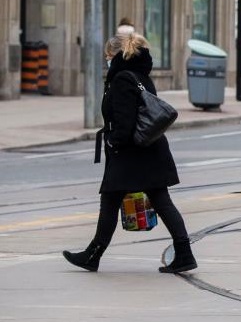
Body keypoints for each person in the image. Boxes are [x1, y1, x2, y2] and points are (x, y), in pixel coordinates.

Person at [62, 33, 197, 273]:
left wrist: (114, 142)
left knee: (112, 201)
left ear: (115, 55)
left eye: (107, 55)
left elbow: (125, 122)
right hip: (149, 150)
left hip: (130, 153)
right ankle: (184, 253)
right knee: (159, 200)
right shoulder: (141, 76)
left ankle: (93, 255)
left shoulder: (122, 79)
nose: (106, 60)